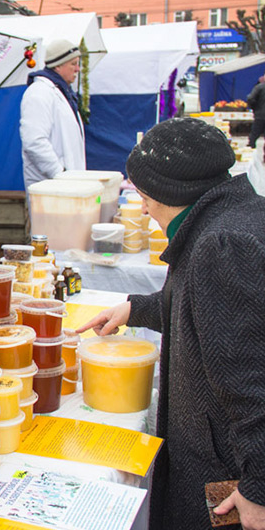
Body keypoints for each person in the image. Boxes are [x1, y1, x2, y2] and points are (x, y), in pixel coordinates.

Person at [79, 118, 265, 530]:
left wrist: (259, 487)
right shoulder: (232, 212)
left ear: (172, 193)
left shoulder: (222, 244)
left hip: (222, 471)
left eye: (145, 197)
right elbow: (212, 315)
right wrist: (140, 309)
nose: (143, 209)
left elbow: (250, 380)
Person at [19, 38, 86, 189]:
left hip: (68, 185)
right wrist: (60, 174)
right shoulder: (38, 93)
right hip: (52, 188)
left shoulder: (62, 92)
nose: (78, 69)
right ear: (58, 66)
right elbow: (34, 141)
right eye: (73, 64)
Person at [246, 75, 265, 147]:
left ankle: (250, 153)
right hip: (260, 114)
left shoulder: (259, 87)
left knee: (254, 136)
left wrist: (253, 108)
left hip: (260, 115)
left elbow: (251, 98)